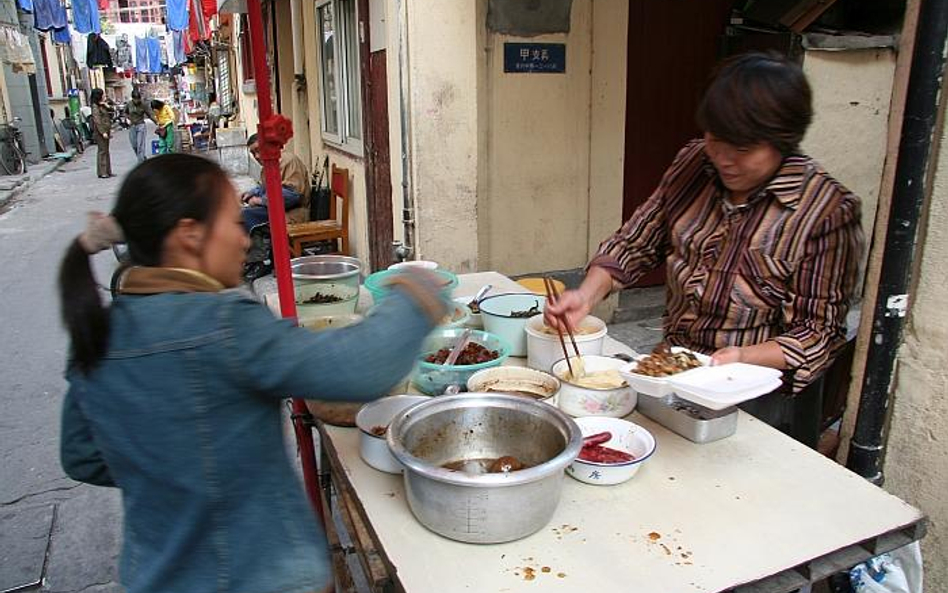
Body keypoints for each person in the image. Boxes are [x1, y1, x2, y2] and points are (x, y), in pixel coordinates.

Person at [57, 154, 446, 593]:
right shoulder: (220, 323)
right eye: (235, 223)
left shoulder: (96, 333)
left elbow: (81, 456)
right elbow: (363, 367)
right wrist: (415, 291)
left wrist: (166, 466)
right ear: (190, 234)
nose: (244, 240)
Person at [545, 53, 864, 447]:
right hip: (671, 372)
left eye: (743, 149)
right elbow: (636, 241)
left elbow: (819, 334)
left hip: (755, 398)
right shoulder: (695, 162)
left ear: (783, 142)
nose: (724, 159)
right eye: (716, 139)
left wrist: (741, 358)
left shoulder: (826, 211)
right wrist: (585, 295)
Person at [240, 133, 311, 232]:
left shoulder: (287, 161)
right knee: (239, 213)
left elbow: (292, 196)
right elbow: (264, 188)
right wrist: (250, 194)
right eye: (253, 153)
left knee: (246, 216)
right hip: (277, 210)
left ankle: (256, 246)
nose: (256, 156)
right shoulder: (268, 164)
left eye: (258, 150)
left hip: (293, 213)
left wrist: (259, 201)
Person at [90, 88, 113, 178]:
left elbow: (112, 111)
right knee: (102, 151)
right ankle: (102, 172)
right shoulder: (95, 106)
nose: (104, 96)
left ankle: (108, 171)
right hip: (100, 131)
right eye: (102, 95)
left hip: (106, 130)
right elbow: (97, 120)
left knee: (106, 150)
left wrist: (106, 105)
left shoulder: (101, 105)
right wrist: (102, 132)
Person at [125, 90, 149, 162]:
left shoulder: (143, 104)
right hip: (132, 126)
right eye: (135, 99)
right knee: (134, 145)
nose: (137, 101)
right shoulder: (129, 104)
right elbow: (125, 113)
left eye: (138, 99)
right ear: (132, 98)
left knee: (140, 145)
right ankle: (142, 157)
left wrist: (156, 122)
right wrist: (127, 119)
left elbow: (150, 114)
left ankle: (141, 162)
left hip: (141, 125)